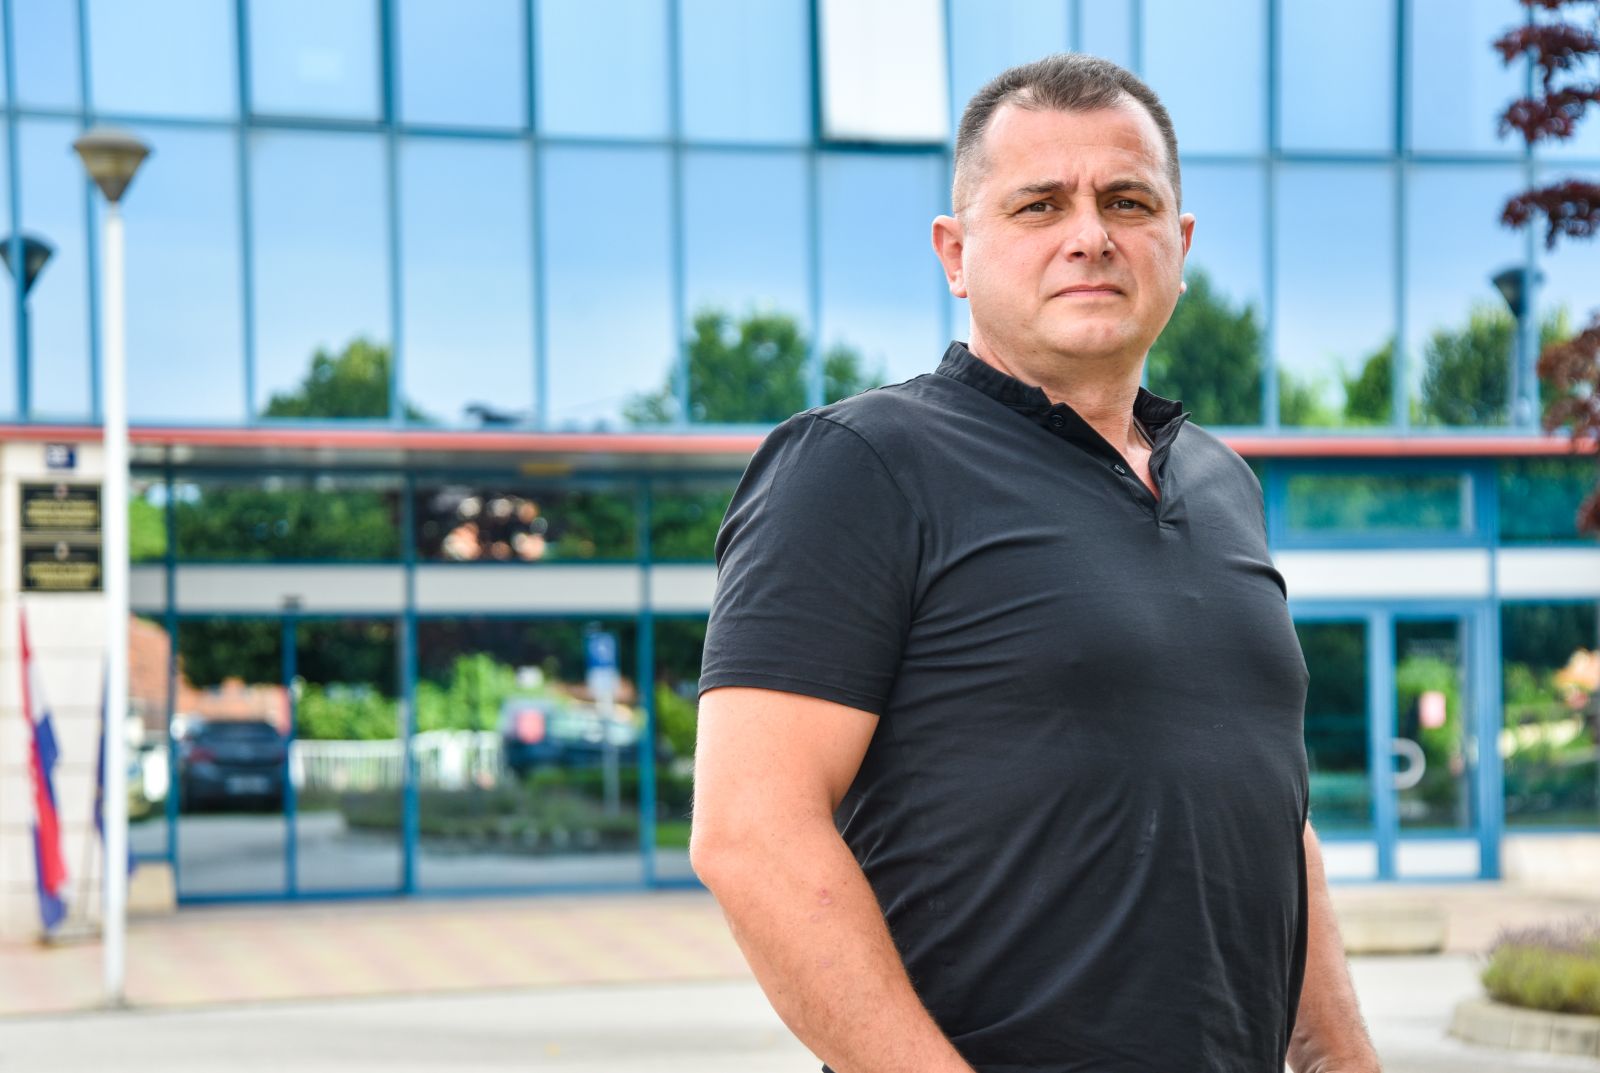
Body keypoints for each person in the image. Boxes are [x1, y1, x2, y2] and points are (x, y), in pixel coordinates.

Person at [689, 53, 1381, 1073]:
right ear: (954, 252)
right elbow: (751, 833)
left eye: (1127, 200)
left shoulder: (1222, 482)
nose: (1090, 235)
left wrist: (1343, 1058)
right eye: (1039, 205)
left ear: (1177, 245)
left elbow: (1273, 817)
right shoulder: (859, 465)